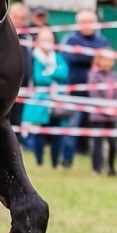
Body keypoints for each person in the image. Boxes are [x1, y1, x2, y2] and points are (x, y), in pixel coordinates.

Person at [62, 10, 109, 168]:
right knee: (72, 127)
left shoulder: (103, 40)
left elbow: (107, 59)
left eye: (90, 21)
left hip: (98, 93)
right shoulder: (70, 39)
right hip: (76, 91)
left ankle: (98, 164)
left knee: (98, 130)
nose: (87, 25)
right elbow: (71, 57)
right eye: (84, 21)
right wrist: (94, 58)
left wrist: (88, 56)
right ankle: (67, 161)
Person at [23, 28, 69, 166]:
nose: (47, 43)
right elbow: (39, 78)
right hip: (40, 101)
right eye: (44, 39)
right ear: (37, 41)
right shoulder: (33, 57)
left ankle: (55, 163)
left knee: (57, 134)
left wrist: (48, 73)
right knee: (40, 133)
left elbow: (64, 74)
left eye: (50, 39)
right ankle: (39, 162)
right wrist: (54, 73)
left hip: (57, 101)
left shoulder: (59, 57)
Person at [86, 51, 117, 176]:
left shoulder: (115, 75)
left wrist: (115, 107)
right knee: (97, 144)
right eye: (105, 59)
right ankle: (96, 168)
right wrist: (105, 108)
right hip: (98, 116)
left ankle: (111, 167)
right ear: (99, 60)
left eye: (110, 60)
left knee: (113, 143)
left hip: (112, 117)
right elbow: (94, 94)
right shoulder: (93, 75)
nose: (107, 63)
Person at [7, 1, 33, 127]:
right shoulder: (3, 36)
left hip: (23, 88)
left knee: (17, 120)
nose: (19, 20)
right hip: (6, 86)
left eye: (22, 18)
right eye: (16, 17)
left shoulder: (29, 38)